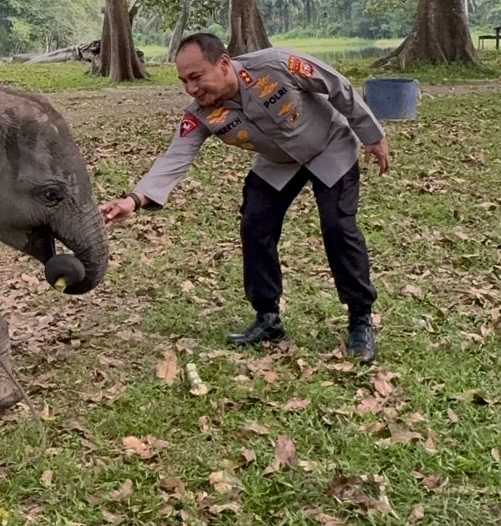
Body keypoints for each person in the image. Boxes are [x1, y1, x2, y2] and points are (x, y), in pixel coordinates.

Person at [100, 33, 390, 364]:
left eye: (197, 77)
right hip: (277, 163)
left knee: (338, 227)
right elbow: (174, 158)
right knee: (255, 226)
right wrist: (134, 200)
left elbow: (336, 85)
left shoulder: (277, 65)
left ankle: (360, 318)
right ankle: (268, 318)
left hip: (330, 145)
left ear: (224, 64)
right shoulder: (201, 114)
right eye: (183, 81)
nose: (191, 89)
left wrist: (372, 134)